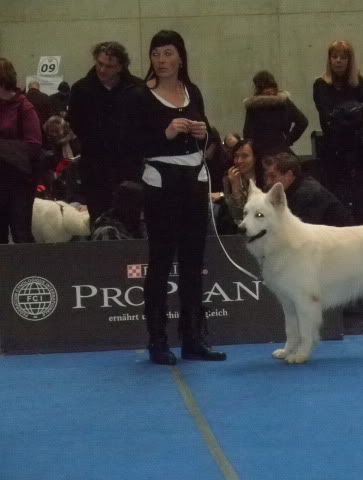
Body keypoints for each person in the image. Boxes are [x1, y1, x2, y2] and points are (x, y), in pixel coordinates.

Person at [140, 30, 226, 365]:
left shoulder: (193, 92)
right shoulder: (140, 96)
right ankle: (157, 340)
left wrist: (204, 134)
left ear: (180, 57)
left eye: (167, 53)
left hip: (194, 180)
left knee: (193, 262)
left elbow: (206, 141)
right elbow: (130, 144)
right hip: (161, 182)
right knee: (161, 261)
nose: (161, 60)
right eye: (155, 54)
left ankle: (193, 338)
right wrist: (166, 133)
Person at [68, 41, 146, 223]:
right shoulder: (81, 89)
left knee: (129, 223)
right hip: (95, 169)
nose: (102, 70)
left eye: (109, 66)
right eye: (99, 64)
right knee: (99, 222)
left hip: (128, 169)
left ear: (120, 67)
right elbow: (76, 124)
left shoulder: (138, 89)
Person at [0, 58, 42, 257]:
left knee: (20, 231)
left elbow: (33, 146)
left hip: (18, 180)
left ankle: (28, 271)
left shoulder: (24, 107)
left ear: (1, 78)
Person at [313, 40, 363, 225]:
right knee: (338, 205)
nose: (338, 61)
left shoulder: (357, 81)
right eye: (334, 56)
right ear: (329, 59)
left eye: (343, 57)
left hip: (360, 153)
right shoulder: (320, 84)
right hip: (335, 153)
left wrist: (344, 114)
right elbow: (327, 117)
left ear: (349, 60)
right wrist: (356, 112)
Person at [262, 152, 352, 226]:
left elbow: (300, 232)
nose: (268, 182)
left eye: (273, 176)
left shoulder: (307, 194)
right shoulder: (294, 189)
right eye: (267, 177)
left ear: (289, 175)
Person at [242, 70, 308, 155]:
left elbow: (247, 133)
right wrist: (288, 141)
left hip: (260, 151)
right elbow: (303, 122)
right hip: (280, 150)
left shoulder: (253, 105)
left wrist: (251, 150)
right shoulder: (283, 101)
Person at [222, 138, 264, 226]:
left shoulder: (266, 178)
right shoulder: (229, 178)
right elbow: (236, 216)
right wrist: (235, 187)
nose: (239, 161)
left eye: (245, 156)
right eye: (236, 156)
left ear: (255, 158)